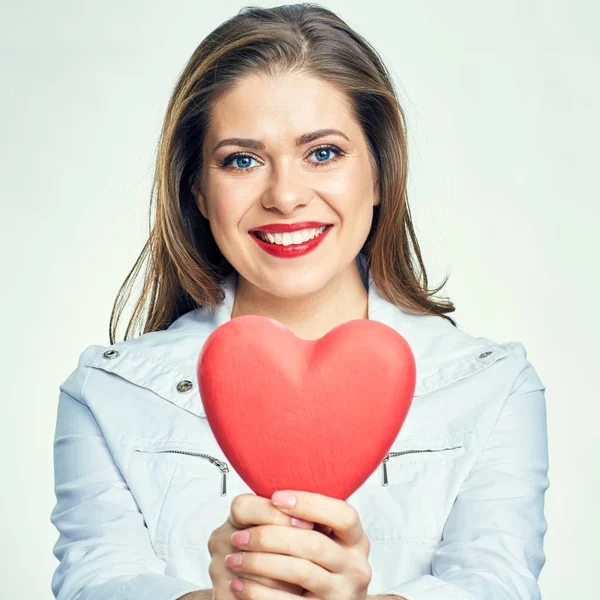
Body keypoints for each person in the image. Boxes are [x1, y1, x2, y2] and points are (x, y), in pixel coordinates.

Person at [50, 4, 550, 600]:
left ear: (381, 174)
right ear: (200, 193)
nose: (285, 196)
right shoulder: (108, 393)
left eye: (323, 153)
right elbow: (94, 582)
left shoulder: (493, 386)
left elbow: (498, 584)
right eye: (242, 160)